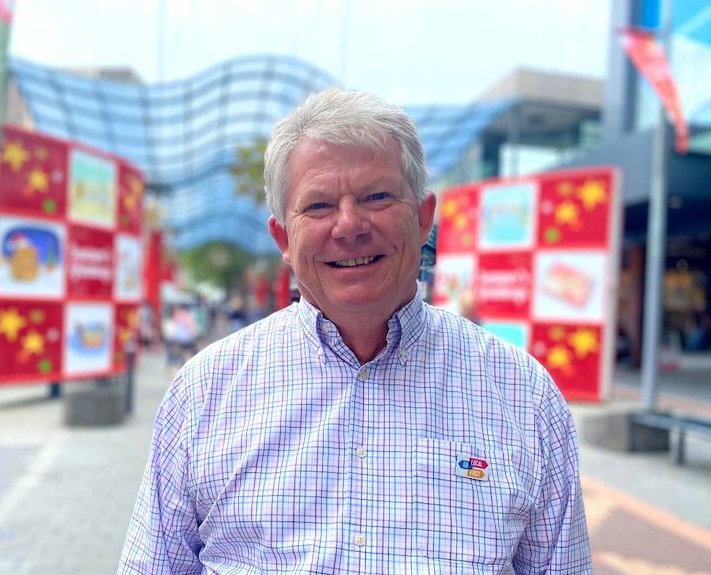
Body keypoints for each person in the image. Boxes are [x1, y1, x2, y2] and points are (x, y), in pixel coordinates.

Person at [118, 89, 591, 573]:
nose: (349, 226)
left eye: (377, 197)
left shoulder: (525, 397)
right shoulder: (203, 392)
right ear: (283, 237)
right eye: (319, 206)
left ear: (424, 218)